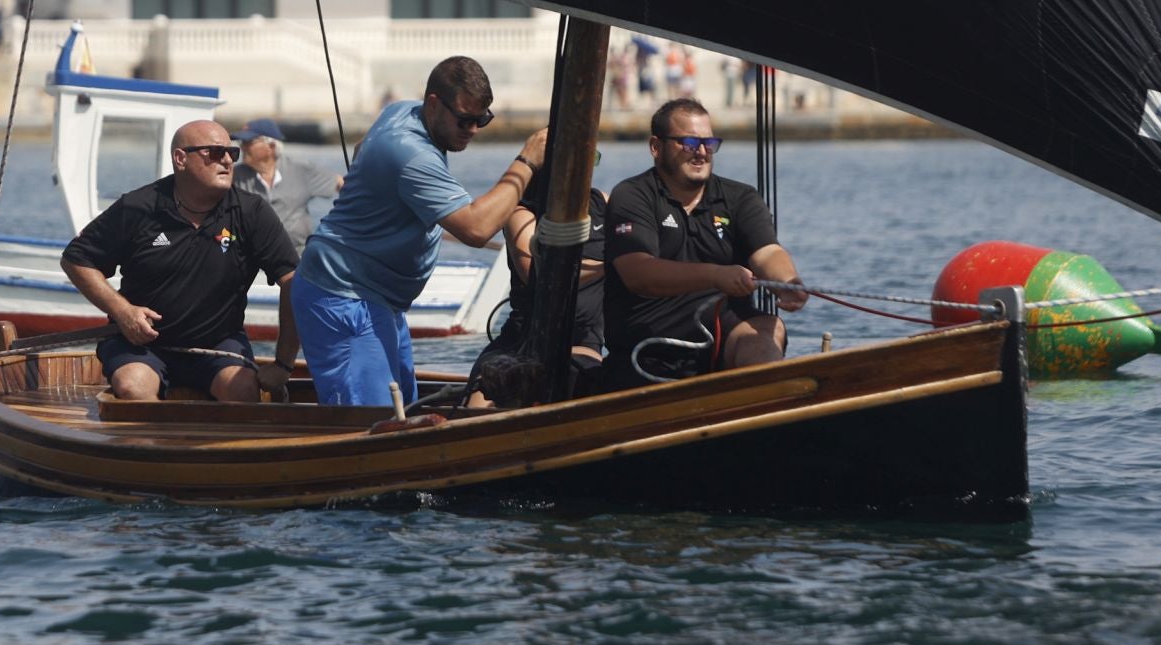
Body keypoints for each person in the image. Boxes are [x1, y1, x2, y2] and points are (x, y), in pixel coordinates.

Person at [291, 56, 548, 406]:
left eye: (481, 120)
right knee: (374, 423)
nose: (472, 130)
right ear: (433, 104)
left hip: (378, 300)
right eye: (464, 119)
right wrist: (527, 161)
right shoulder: (412, 154)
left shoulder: (400, 111)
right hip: (344, 298)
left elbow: (361, 149)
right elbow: (476, 228)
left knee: (406, 408)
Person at [61, 119, 300, 403]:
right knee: (133, 388)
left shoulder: (251, 211)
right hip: (142, 345)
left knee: (243, 390)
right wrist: (123, 312)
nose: (226, 159)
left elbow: (293, 280)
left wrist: (284, 365)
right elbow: (76, 259)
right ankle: (148, 445)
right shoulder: (138, 207)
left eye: (231, 153)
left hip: (218, 344)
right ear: (180, 158)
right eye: (213, 152)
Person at [601, 98, 808, 388]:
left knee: (767, 328)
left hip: (725, 335)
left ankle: (764, 401)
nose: (700, 153)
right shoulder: (633, 196)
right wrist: (715, 275)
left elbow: (767, 251)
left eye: (708, 143)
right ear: (656, 147)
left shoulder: (741, 198)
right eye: (688, 142)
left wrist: (786, 280)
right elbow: (638, 273)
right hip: (646, 349)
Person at [466, 158, 608, 406]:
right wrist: (611, 264)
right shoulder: (521, 213)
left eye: (590, 158)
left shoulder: (603, 204)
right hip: (521, 343)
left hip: (581, 343)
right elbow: (537, 275)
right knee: (477, 407)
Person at [233, 117, 343, 248]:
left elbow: (342, 184)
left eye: (248, 142)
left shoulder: (300, 170)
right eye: (241, 142)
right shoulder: (234, 176)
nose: (242, 147)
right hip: (253, 256)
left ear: (271, 146)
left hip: (298, 255)